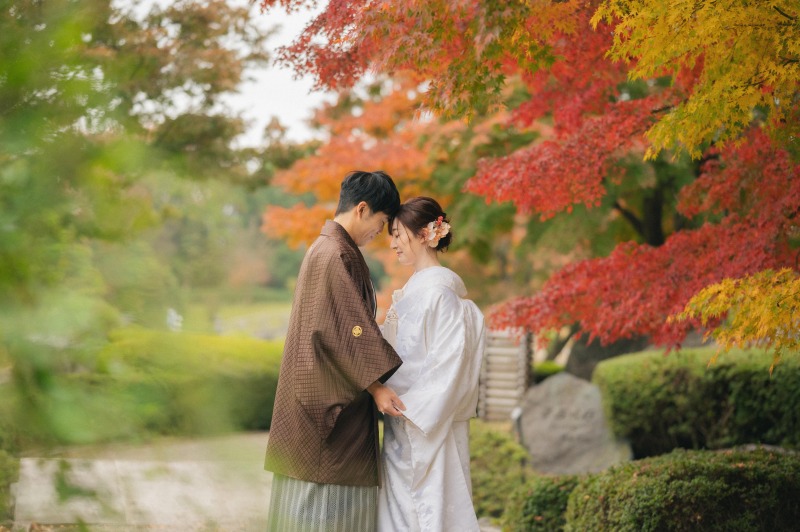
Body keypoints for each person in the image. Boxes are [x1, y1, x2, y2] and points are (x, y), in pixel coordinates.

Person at [264, 170, 408, 531]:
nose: (381, 234)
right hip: (327, 412)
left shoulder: (327, 249)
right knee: (327, 511)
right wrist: (376, 387)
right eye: (382, 222)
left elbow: (341, 326)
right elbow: (343, 330)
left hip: (318, 391)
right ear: (362, 209)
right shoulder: (334, 254)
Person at [378, 197, 486, 532]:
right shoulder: (415, 290)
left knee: (430, 510)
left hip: (425, 420)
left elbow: (448, 363)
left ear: (426, 234)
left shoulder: (440, 293)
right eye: (391, 235)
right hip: (403, 415)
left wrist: (409, 407)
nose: (393, 243)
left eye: (398, 234)